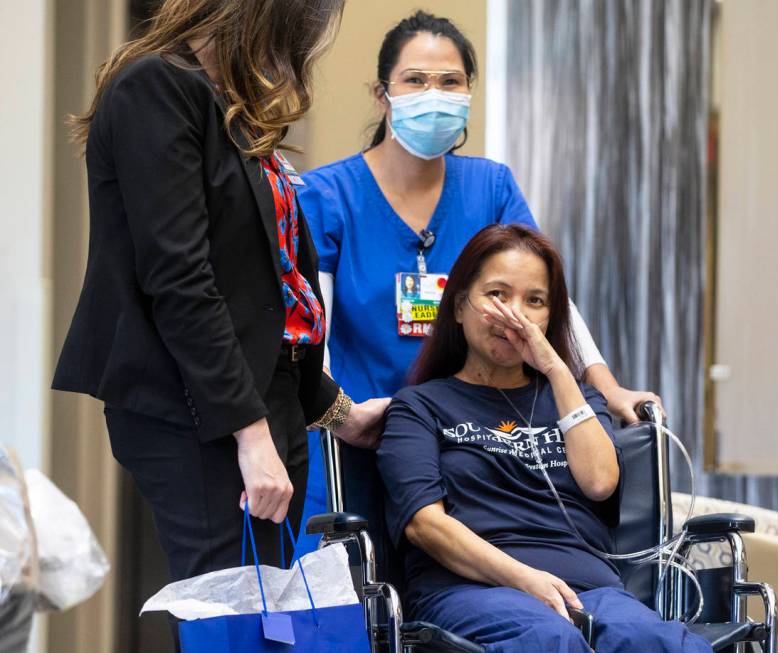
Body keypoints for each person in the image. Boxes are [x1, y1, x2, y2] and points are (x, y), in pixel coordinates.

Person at [51, 0, 387, 620]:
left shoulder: (226, 102)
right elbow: (180, 279)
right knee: (237, 620)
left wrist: (336, 411)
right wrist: (251, 433)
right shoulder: (155, 86)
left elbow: (264, 291)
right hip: (199, 410)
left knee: (270, 621)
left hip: (263, 401)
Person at [300, 10, 661, 418]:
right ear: (382, 94)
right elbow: (313, 333)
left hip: (466, 439)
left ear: (468, 92)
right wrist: (341, 414)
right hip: (359, 428)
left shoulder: (490, 188)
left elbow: (551, 300)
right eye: (416, 80)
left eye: (450, 81)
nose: (433, 94)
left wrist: (607, 389)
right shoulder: (328, 195)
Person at [376, 224, 710, 653]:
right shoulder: (419, 407)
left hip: (591, 589)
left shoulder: (576, 398)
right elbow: (426, 526)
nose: (515, 315)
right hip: (471, 589)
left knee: (659, 641)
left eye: (534, 301)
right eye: (498, 295)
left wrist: (554, 368)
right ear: (460, 306)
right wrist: (522, 577)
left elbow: (599, 482)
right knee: (549, 639)